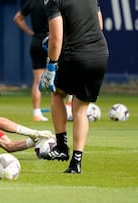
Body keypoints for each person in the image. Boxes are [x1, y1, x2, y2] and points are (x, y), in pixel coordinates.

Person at [39, 0, 109, 173]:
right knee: (80, 110)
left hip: (75, 55)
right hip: (100, 55)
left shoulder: (53, 1)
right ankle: (76, 162)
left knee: (57, 94)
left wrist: (50, 68)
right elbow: (99, 24)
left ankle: (61, 148)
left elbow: (56, 38)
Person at [13, 0, 49, 122]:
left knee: (37, 80)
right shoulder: (54, 2)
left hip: (36, 42)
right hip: (52, 41)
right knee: (63, 76)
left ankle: (37, 113)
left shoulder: (32, 2)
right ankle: (67, 108)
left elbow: (17, 18)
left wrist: (30, 32)